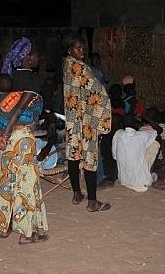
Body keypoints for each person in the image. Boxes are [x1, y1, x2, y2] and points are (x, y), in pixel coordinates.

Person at [0, 38, 49, 244]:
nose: (38, 57)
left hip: (3, 137)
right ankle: (25, 232)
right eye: (35, 54)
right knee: (26, 182)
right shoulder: (33, 80)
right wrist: (8, 132)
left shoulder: (7, 78)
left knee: (6, 181)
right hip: (20, 137)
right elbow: (20, 109)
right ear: (27, 57)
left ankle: (5, 226)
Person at [63, 33, 112, 212]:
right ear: (70, 49)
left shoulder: (66, 64)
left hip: (72, 119)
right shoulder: (81, 68)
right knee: (90, 157)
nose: (82, 50)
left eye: (83, 47)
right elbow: (97, 91)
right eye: (78, 48)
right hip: (85, 120)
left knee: (74, 155)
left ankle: (77, 193)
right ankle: (92, 201)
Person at [112, 113, 161, 192]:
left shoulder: (118, 134)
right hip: (141, 182)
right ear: (136, 124)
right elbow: (159, 130)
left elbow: (115, 157)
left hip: (123, 180)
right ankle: (150, 173)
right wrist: (145, 117)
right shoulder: (142, 135)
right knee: (158, 138)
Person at [98, 114, 123, 187]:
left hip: (105, 163)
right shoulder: (120, 135)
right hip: (113, 165)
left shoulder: (105, 134)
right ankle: (112, 179)